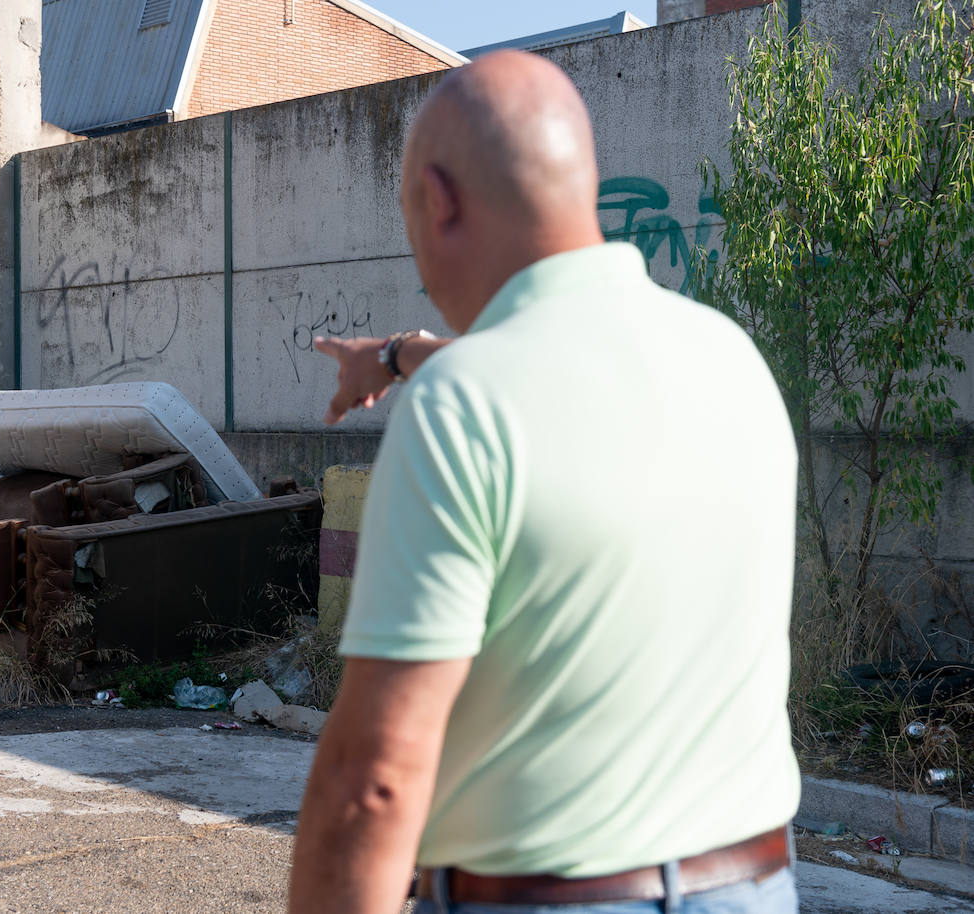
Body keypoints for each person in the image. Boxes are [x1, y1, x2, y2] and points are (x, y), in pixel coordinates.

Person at [288, 50, 800, 914]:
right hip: (754, 884)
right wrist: (395, 355)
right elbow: (561, 382)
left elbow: (372, 783)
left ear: (438, 201)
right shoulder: (731, 359)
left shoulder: (462, 409)